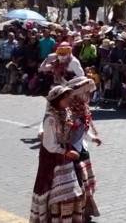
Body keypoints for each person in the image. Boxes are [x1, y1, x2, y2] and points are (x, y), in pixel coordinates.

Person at [30, 86, 86, 223]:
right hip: (52, 158)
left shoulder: (65, 113)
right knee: (54, 191)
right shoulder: (51, 119)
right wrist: (65, 152)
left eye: (68, 96)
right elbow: (49, 145)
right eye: (65, 97)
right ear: (57, 100)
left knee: (70, 191)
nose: (68, 99)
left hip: (65, 155)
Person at [66, 76, 102, 220]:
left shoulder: (83, 109)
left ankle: (86, 209)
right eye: (86, 92)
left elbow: (84, 131)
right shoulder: (68, 113)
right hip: (71, 153)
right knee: (78, 183)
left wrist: (93, 138)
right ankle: (77, 212)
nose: (89, 95)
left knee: (86, 181)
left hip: (82, 150)